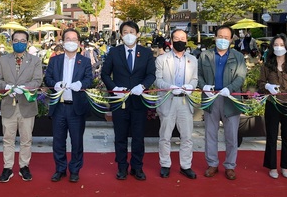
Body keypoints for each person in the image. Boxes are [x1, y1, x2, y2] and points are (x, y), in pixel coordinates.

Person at [100, 21, 156, 181]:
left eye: (132, 31)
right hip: (119, 101)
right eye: (125, 32)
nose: (129, 35)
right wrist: (114, 87)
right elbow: (105, 74)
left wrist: (143, 85)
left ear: (137, 34)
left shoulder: (146, 53)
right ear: (121, 35)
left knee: (138, 136)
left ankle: (137, 167)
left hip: (138, 101)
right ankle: (122, 167)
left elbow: (151, 74)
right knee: (120, 136)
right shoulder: (114, 52)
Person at [197, 25, 247, 180]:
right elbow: (197, 75)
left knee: (231, 135)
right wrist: (203, 85)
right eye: (220, 37)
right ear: (215, 37)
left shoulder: (238, 57)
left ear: (231, 39)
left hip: (230, 100)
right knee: (210, 134)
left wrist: (230, 88)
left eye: (226, 38)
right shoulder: (205, 56)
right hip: (211, 100)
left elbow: (241, 77)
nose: (222, 40)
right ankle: (212, 164)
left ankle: (230, 166)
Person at [44, 28, 93, 183]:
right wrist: (55, 84)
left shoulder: (84, 61)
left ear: (78, 43)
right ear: (63, 42)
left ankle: (75, 169)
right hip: (59, 107)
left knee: (77, 141)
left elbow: (89, 80)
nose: (71, 42)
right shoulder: (55, 60)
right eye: (68, 39)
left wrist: (81, 84)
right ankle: (60, 169)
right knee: (58, 141)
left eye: (74, 39)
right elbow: (48, 78)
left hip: (76, 108)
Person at [0, 29, 43, 183]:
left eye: (23, 40)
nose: (19, 43)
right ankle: (7, 167)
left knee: (26, 138)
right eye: (16, 40)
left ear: (27, 43)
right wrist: (7, 86)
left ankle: (24, 166)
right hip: (8, 104)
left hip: (27, 104)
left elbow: (37, 80)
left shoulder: (35, 61)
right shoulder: (3, 60)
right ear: (12, 41)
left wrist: (24, 88)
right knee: (8, 138)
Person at [258, 34, 287, 179]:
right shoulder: (266, 64)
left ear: (286, 47)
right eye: (276, 45)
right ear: (272, 47)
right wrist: (267, 86)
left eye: (281, 45)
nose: (279, 47)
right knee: (271, 136)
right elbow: (260, 83)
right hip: (273, 103)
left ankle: (285, 166)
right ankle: (271, 166)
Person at [155, 29, 198, 179]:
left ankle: (186, 165)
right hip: (168, 99)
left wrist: (191, 87)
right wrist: (169, 87)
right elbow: (158, 80)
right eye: (177, 38)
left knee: (187, 136)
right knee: (165, 136)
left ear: (186, 40)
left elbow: (195, 79)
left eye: (183, 38)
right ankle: (165, 164)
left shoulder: (193, 59)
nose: (180, 41)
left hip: (185, 101)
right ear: (172, 41)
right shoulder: (162, 59)